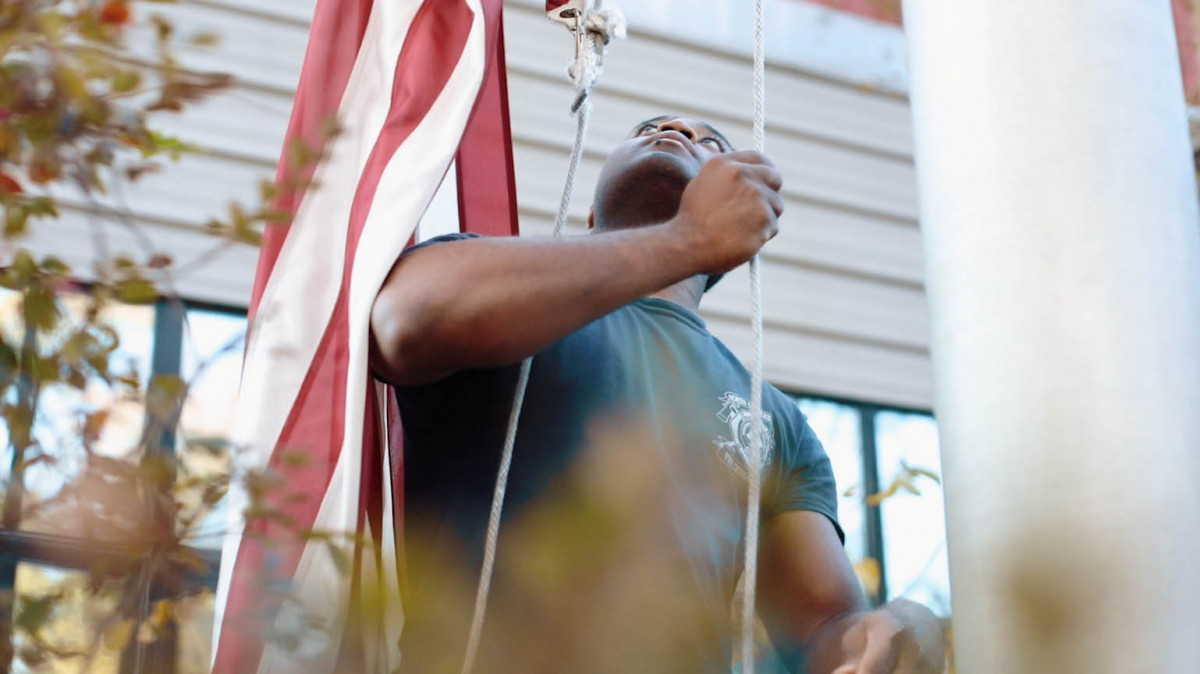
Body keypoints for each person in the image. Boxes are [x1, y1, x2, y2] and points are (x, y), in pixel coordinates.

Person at [370, 116, 946, 673]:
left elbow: (825, 631)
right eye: (647, 129)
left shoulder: (775, 418)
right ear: (593, 212)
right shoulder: (505, 290)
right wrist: (687, 238)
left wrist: (898, 629)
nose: (679, 133)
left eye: (710, 141)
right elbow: (404, 318)